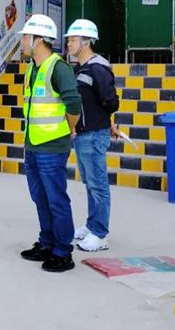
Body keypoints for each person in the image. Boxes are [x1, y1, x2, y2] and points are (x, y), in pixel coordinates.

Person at [18, 14, 82, 273]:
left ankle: (62, 252)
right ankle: (47, 243)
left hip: (52, 147)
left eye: (25, 36)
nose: (23, 41)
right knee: (40, 197)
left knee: (56, 199)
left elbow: (74, 105)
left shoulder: (59, 68)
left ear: (38, 39)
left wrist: (70, 128)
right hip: (33, 145)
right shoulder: (32, 68)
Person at [65, 19, 119, 252]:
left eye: (73, 40)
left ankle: (100, 233)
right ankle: (91, 224)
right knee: (90, 183)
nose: (68, 44)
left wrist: (106, 122)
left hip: (95, 134)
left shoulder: (98, 68)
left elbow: (110, 101)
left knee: (98, 184)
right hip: (84, 134)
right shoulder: (81, 68)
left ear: (86, 42)